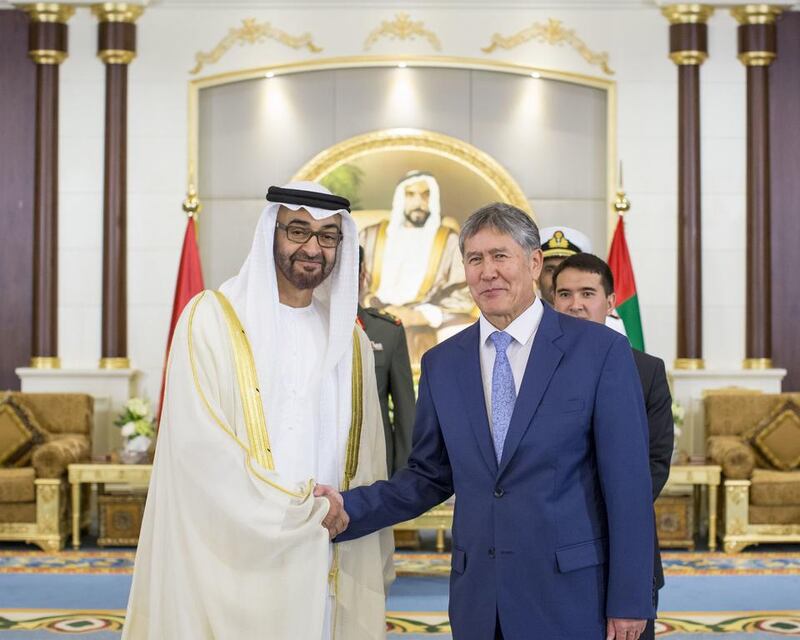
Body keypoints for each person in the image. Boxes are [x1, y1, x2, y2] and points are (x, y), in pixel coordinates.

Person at [318, 203, 655, 639]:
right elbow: (428, 475)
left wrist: (629, 600)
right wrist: (349, 508)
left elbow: (627, 486)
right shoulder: (443, 363)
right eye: (475, 259)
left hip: (571, 597)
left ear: (534, 263)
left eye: (500, 256)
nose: (487, 271)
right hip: (480, 600)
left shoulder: (600, 351)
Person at [123, 182, 393, 640]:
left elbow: (367, 459)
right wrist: (296, 510)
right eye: (298, 230)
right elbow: (200, 451)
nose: (313, 247)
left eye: (328, 236)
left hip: (326, 553)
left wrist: (340, 519)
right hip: (233, 557)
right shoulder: (211, 320)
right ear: (270, 233)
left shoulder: (350, 341)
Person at [551, 252, 674, 640]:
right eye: (565, 294)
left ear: (610, 301)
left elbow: (654, 462)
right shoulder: (530, 366)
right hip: (550, 549)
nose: (576, 304)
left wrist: (592, 516)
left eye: (588, 293)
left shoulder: (646, 370)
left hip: (622, 542)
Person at [360, 171, 474, 369]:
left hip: (423, 321)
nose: (419, 201)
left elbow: (465, 289)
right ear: (400, 198)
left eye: (425, 194)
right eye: (411, 194)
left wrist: (424, 314)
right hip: (372, 315)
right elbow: (351, 279)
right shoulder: (371, 235)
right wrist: (376, 305)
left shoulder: (449, 241)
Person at [357, 246, 415, 477]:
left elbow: (405, 413)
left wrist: (404, 480)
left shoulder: (386, 331)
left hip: (374, 467)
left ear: (362, 275)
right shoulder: (309, 328)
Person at [538, 225, 627, 335]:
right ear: (536, 276)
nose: (575, 306)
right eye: (550, 270)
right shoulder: (525, 323)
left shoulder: (612, 326)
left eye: (586, 294)